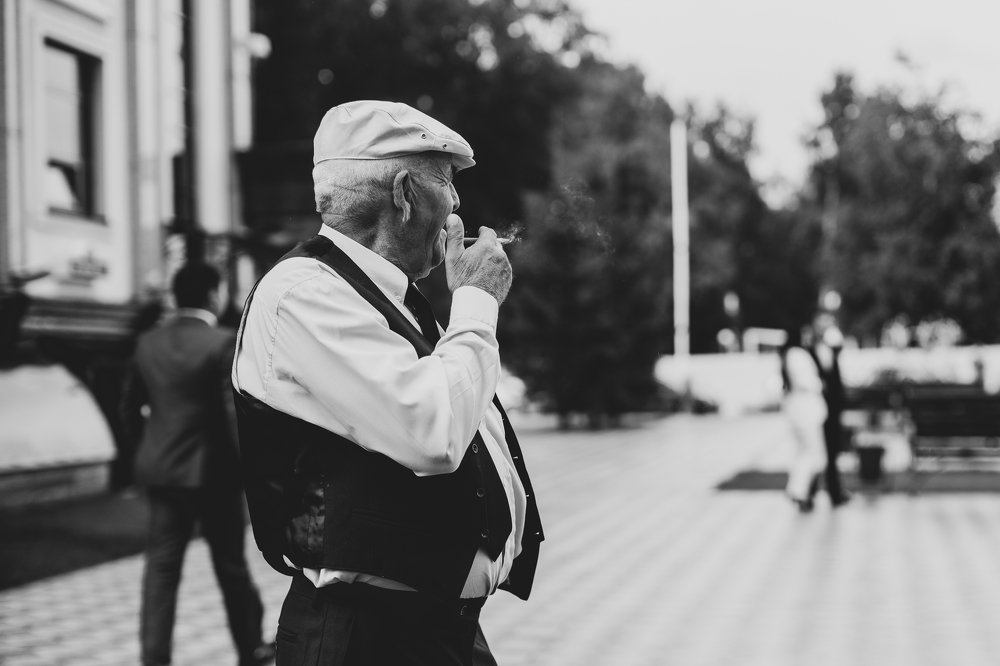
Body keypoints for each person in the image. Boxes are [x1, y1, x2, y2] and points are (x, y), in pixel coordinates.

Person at [231, 100, 543, 666]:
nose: (457, 207)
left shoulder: (384, 298)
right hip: (367, 638)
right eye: (447, 184)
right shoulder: (304, 293)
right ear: (403, 195)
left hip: (433, 630)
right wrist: (475, 302)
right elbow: (434, 431)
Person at [120, 262, 274, 666]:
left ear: (176, 296)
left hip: (162, 472)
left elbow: (127, 411)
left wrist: (146, 452)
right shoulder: (223, 342)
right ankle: (249, 648)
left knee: (161, 570)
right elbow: (232, 416)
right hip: (215, 476)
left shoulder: (147, 342)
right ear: (213, 294)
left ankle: (154, 658)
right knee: (230, 567)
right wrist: (254, 472)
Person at [803, 312, 852, 508]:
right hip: (818, 409)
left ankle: (833, 491)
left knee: (831, 452)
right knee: (816, 452)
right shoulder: (811, 352)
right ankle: (808, 491)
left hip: (831, 408)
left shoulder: (830, 349)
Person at [779, 328, 827, 512]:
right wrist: (820, 384)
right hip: (805, 410)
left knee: (804, 452)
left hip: (799, 409)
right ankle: (799, 491)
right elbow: (807, 382)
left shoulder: (790, 355)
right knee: (812, 453)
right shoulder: (797, 355)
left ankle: (799, 489)